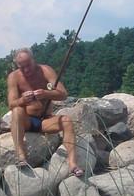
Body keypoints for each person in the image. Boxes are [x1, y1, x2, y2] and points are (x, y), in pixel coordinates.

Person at [7, 47, 82, 176]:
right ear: (17, 65)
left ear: (33, 60)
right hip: (27, 120)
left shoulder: (46, 71)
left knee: (67, 121)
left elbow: (63, 94)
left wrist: (46, 93)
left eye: (28, 65)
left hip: (45, 120)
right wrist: (23, 100)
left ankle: (73, 163)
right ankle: (21, 156)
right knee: (17, 110)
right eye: (22, 67)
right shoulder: (14, 77)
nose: (26, 70)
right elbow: (11, 104)